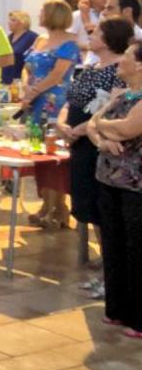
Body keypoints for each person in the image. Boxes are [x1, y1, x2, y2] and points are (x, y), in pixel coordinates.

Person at [58, 20, 129, 260]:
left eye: (96, 32)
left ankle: (109, 266)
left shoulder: (121, 70)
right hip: (79, 143)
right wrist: (62, 122)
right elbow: (71, 100)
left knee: (103, 208)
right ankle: (104, 264)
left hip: (97, 142)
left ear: (110, 39)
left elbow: (114, 106)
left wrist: (82, 128)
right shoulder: (91, 68)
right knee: (87, 204)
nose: (90, 34)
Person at [87, 42, 142, 337]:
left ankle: (138, 317)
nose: (121, 61)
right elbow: (93, 124)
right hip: (109, 177)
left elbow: (128, 129)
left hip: (136, 185)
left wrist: (104, 127)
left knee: (136, 249)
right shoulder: (121, 94)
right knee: (113, 244)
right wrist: (103, 140)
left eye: (128, 57)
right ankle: (117, 309)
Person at [22, 0, 80, 127]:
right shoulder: (40, 39)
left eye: (42, 12)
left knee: (46, 135)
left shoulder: (70, 42)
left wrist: (32, 93)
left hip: (52, 98)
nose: (39, 15)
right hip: (31, 97)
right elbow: (27, 67)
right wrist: (25, 86)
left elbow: (56, 75)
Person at [3, 10, 38, 87]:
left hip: (20, 81)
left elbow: (32, 61)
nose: (9, 22)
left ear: (22, 22)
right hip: (5, 79)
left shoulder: (32, 37)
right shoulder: (9, 37)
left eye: (13, 20)